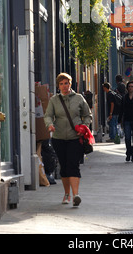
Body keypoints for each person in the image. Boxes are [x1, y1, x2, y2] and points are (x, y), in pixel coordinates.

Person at [44, 72, 92, 207]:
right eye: (61, 84)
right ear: (58, 86)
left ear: (70, 84)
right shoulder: (54, 100)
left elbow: (87, 115)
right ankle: (66, 194)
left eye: (66, 83)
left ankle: (76, 195)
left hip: (75, 138)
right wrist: (50, 125)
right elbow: (48, 115)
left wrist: (84, 126)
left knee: (73, 165)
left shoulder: (79, 98)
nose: (64, 86)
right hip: (59, 138)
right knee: (64, 167)